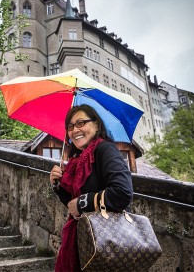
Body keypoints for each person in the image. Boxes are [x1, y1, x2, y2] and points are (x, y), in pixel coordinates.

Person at [50, 104, 133, 271]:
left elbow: (122, 193)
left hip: (106, 241)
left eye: (81, 123)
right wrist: (58, 185)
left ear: (96, 125)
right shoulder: (77, 161)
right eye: (70, 126)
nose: (75, 130)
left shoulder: (105, 149)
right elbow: (73, 206)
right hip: (84, 239)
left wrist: (82, 203)